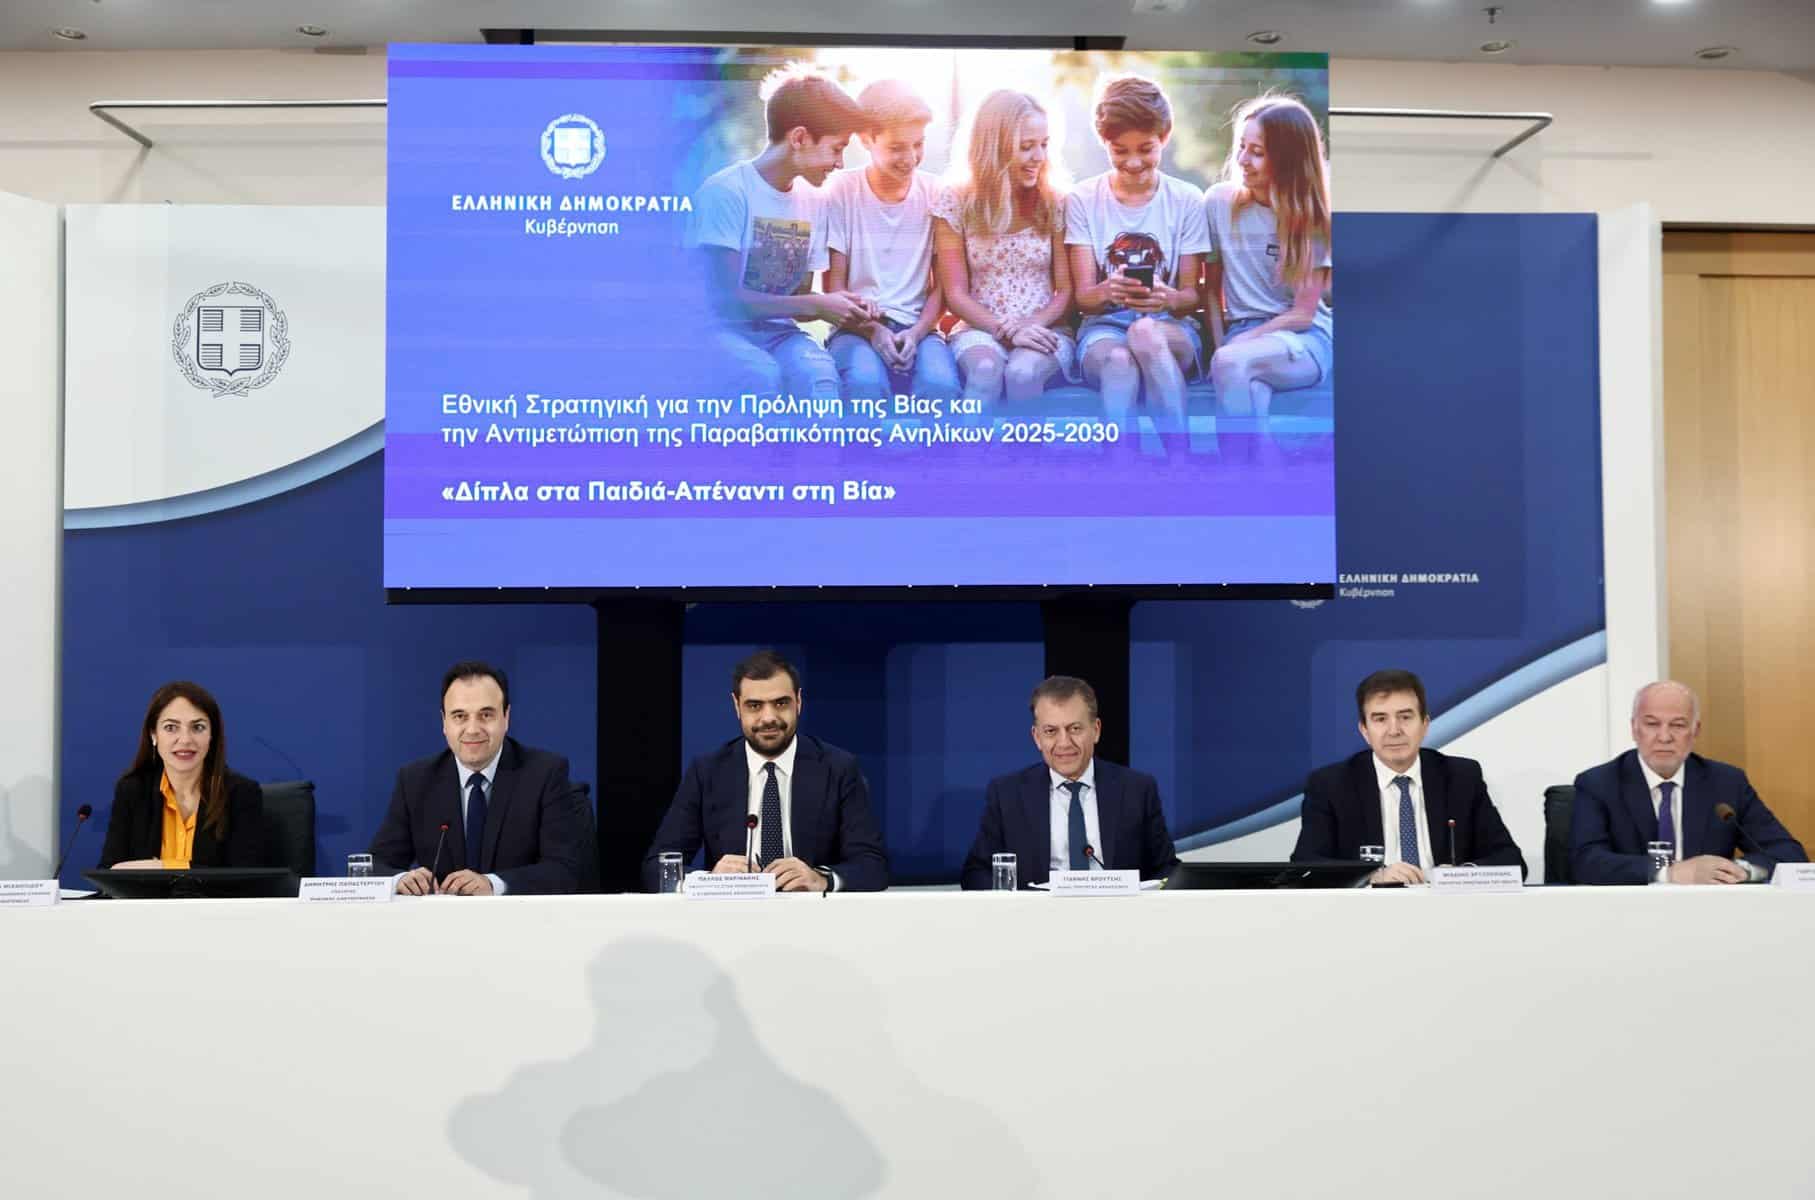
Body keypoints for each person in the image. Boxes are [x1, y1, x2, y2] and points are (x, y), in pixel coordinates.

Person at [687, 65, 879, 399]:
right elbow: (726, 301)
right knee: (759, 376)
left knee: (819, 379)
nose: (840, 163)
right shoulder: (727, 192)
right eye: (837, 148)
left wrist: (840, 305)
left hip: (779, 333)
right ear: (799, 138)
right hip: (716, 331)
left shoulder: (815, 201)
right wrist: (817, 304)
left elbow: (798, 300)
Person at [641, 651, 888, 892]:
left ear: (799, 701)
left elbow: (873, 865)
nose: (769, 717)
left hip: (811, 912)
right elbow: (657, 867)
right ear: (737, 706)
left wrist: (821, 879)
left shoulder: (838, 768)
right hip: (731, 913)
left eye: (781, 703)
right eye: (754, 706)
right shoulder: (707, 772)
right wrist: (711, 880)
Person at [370, 661, 590, 895]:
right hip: (442, 917)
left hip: (519, 916)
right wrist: (400, 879)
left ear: (506, 717)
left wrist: (493, 884)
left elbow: (563, 870)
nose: (473, 729)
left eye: (486, 715)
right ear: (444, 722)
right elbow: (372, 865)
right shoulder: (416, 781)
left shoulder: (544, 774)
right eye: (460, 716)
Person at [1065, 75, 1212, 427]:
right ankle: (1122, 457)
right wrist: (1108, 290)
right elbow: (1084, 298)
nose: (1133, 162)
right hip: (1104, 331)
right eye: (1120, 151)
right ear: (1104, 141)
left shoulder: (1186, 200)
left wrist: (1167, 298)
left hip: (1170, 330)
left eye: (1145, 149)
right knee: (1120, 362)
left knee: (1145, 332)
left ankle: (1178, 453)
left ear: (1165, 136)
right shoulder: (1083, 199)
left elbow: (1191, 295)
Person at [1291, 669, 1526, 883]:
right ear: (1364, 730)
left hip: (1446, 908)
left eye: (1405, 717)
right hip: (1369, 909)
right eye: (1380, 719)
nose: (1394, 731)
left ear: (1424, 724)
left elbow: (1511, 861)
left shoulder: (1461, 777)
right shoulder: (1332, 784)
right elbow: (1306, 864)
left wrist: (1461, 875)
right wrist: (1372, 875)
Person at [1571, 681, 1807, 885]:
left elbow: (1789, 854)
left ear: (1695, 731)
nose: (1664, 737)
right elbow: (1584, 862)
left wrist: (1739, 870)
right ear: (1634, 729)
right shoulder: (1598, 784)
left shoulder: (1727, 783)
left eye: (1678, 725)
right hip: (1629, 913)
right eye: (1652, 724)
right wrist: (1669, 872)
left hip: (1711, 913)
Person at [959, 675, 1179, 889]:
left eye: (1075, 729)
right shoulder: (1008, 794)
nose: (1064, 743)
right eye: (1051, 731)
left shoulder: (1137, 790)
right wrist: (1017, 902)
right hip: (1037, 912)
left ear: (1096, 730)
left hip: (1117, 911)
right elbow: (976, 872)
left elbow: (1167, 869)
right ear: (1037, 737)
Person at [931, 89, 1076, 404]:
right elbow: (955, 293)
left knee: (1022, 374)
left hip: (1044, 328)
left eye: (1044, 144)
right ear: (994, 147)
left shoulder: (1055, 201)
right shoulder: (956, 201)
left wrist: (1029, 326)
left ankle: (1026, 441)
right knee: (985, 370)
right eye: (1026, 147)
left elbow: (1065, 291)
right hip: (979, 328)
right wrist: (1006, 329)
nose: (1039, 157)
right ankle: (969, 440)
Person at [822, 79, 960, 404]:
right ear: (866, 139)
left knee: (940, 387)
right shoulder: (841, 190)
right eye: (897, 147)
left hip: (920, 329)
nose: (910, 158)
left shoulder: (936, 193)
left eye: (918, 144)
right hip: (855, 329)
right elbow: (834, 288)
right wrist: (873, 330)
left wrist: (917, 332)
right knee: (864, 385)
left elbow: (941, 288)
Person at [1202, 93, 1334, 417]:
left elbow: (1303, 315)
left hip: (1303, 338)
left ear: (1288, 160)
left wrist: (1237, 347)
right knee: (1248, 389)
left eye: (1257, 152)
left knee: (1232, 364)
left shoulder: (1313, 219)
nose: (1243, 160)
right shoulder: (1218, 203)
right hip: (1241, 337)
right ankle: (1261, 451)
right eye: (1241, 147)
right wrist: (1222, 347)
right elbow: (1211, 291)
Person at [100, 680, 266, 870]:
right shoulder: (132, 790)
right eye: (171, 727)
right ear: (153, 735)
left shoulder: (241, 794)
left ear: (212, 736)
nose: (185, 739)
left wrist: (161, 867)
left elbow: (244, 876)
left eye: (198, 727)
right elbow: (109, 870)